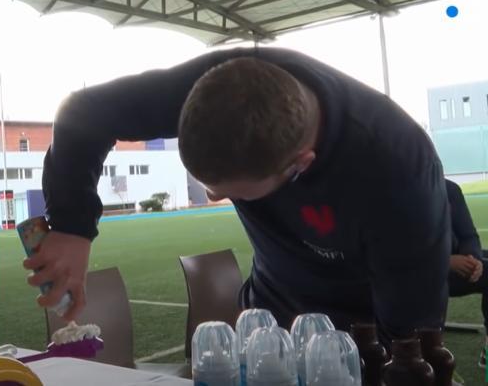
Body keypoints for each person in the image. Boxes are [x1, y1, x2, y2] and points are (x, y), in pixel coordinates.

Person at [29, 48, 451, 343]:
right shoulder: (220, 86)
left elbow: (412, 331)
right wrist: (72, 227)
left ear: (300, 164)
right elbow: (83, 112)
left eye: (235, 193)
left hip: (361, 326)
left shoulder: (397, 172)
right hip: (267, 311)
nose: (212, 196)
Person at [445, 178, 488, 367]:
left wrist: (473, 259)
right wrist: (446, 261)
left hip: (458, 262)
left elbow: (468, 235)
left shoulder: (450, 189)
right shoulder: (399, 189)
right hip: (420, 272)